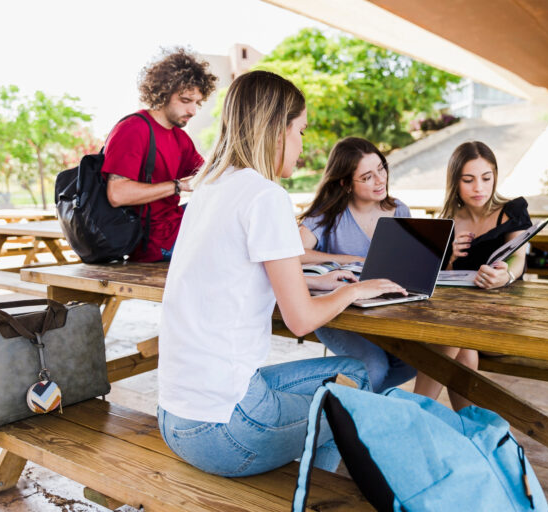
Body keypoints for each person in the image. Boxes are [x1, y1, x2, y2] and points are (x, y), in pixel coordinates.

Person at [157, 70, 406, 477]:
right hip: (225, 431)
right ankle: (318, 492)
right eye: (301, 131)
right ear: (277, 131)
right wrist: (353, 290)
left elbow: (231, 274)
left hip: (175, 417)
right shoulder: (265, 195)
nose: (302, 146)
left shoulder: (209, 188)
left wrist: (318, 280)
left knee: (353, 373)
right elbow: (301, 319)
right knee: (353, 389)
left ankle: (314, 484)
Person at [413, 140, 532, 410]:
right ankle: (471, 426)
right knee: (459, 343)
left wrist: (507, 276)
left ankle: (415, 411)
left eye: (486, 178)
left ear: (495, 177)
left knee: (452, 335)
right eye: (468, 180)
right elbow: (445, 281)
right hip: (464, 318)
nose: (479, 187)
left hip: (506, 318)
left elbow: (519, 257)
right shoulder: (448, 220)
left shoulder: (511, 211)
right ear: (455, 181)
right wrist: (450, 257)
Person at [297, 137, 417, 392]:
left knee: (414, 361)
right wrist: (350, 260)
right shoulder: (327, 215)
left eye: (381, 169)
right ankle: (352, 416)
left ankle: (353, 403)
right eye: (367, 176)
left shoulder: (399, 211)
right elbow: (293, 254)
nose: (380, 179)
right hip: (337, 311)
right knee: (373, 366)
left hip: (385, 308)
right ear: (345, 183)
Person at [101, 48, 217, 262]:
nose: (193, 110)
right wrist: (178, 185)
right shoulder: (133, 128)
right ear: (163, 92)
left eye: (197, 103)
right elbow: (117, 194)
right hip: (152, 242)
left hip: (175, 229)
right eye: (185, 100)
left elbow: (209, 176)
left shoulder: (180, 138)